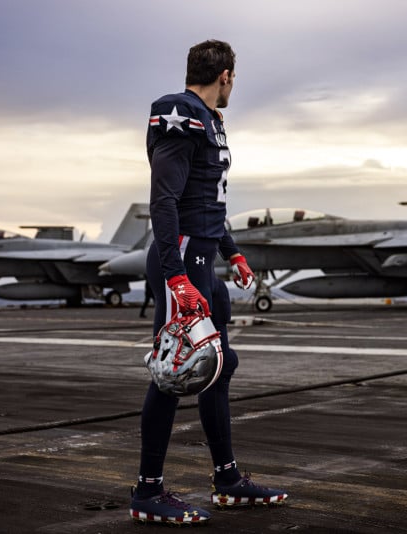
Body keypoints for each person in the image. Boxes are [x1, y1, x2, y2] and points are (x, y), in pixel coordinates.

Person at [130, 39, 288, 525]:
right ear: (225, 76)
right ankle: (148, 491)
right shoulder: (179, 112)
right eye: (232, 78)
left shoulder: (208, 118)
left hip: (201, 257)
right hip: (181, 257)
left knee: (218, 363)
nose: (232, 86)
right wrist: (176, 277)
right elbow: (164, 201)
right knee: (175, 370)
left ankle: (228, 481)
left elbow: (205, 201)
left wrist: (231, 251)